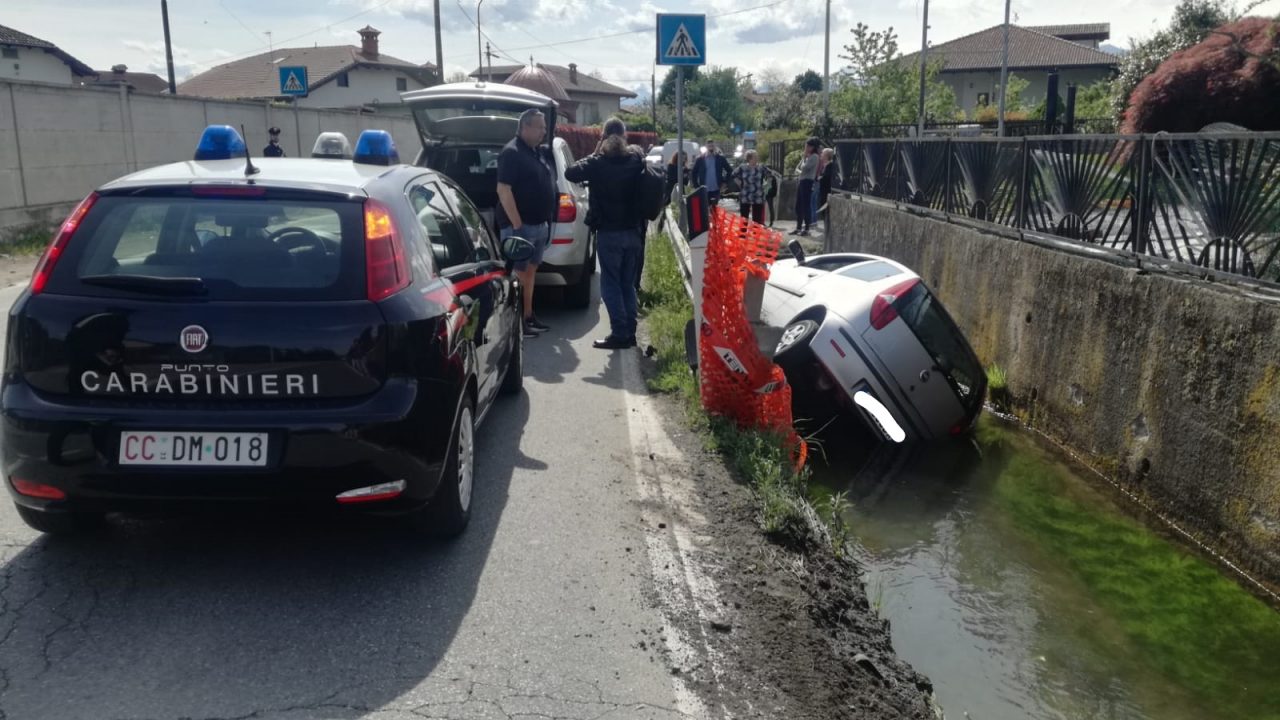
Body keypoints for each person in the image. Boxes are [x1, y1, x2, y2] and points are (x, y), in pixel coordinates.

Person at [564, 133, 645, 350]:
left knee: (610, 284)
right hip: (633, 232)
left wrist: (594, 153)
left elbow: (570, 172)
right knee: (627, 284)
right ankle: (630, 332)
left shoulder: (598, 164)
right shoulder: (635, 161)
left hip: (610, 234)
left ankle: (619, 333)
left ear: (604, 148)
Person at [497, 109, 557, 338]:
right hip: (520, 227)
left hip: (539, 225)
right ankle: (517, 324)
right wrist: (517, 225)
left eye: (544, 127)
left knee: (529, 273)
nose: (544, 132)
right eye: (540, 127)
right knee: (518, 276)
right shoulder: (511, 152)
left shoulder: (535, 152)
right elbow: (503, 189)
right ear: (525, 127)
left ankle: (528, 316)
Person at [791, 137, 820, 237]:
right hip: (801, 181)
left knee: (806, 205)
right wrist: (804, 159)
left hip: (807, 182)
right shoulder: (808, 156)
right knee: (798, 205)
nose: (806, 148)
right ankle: (798, 227)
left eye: (808, 146)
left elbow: (804, 168)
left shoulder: (814, 157)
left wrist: (804, 159)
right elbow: (797, 168)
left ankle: (807, 228)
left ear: (812, 147)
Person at [732, 150, 768, 224]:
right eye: (755, 157)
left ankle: (755, 231)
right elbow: (733, 175)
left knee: (757, 220)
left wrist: (766, 185)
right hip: (745, 195)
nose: (757, 158)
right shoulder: (742, 167)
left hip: (758, 195)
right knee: (744, 219)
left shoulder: (761, 167)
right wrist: (739, 183)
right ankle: (743, 232)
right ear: (749, 158)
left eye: (757, 156)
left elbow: (771, 175)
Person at [691, 140, 731, 205]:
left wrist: (725, 182)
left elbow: (729, 170)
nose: (711, 148)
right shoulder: (700, 159)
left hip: (716, 188)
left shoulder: (720, 158)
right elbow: (694, 173)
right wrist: (696, 186)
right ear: (706, 147)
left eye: (712, 146)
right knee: (705, 208)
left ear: (715, 147)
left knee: (715, 207)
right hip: (704, 188)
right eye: (709, 146)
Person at [817, 147, 841, 235]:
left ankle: (828, 231)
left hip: (826, 193)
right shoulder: (825, 166)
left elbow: (826, 179)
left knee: (826, 212)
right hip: (823, 192)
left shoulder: (830, 166)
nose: (821, 155)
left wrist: (819, 178)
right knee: (824, 213)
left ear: (827, 156)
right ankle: (826, 230)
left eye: (822, 154)